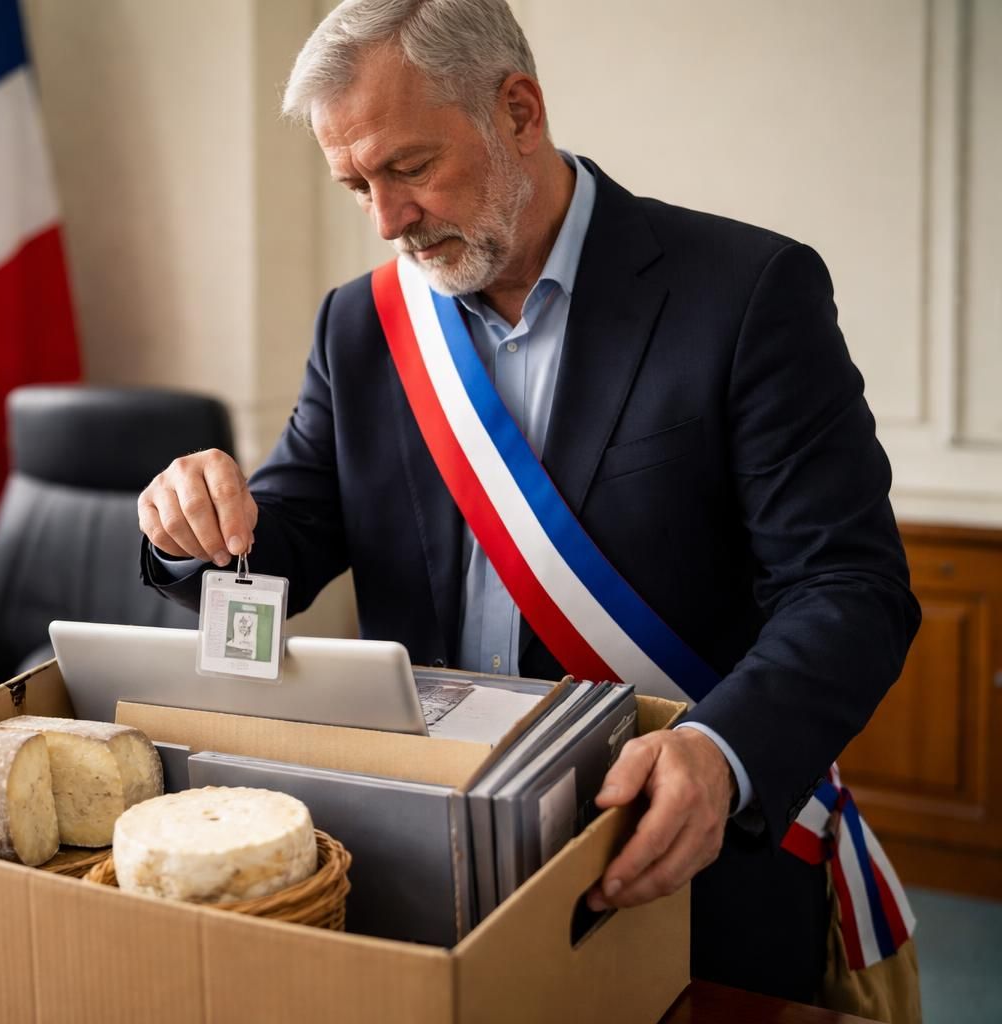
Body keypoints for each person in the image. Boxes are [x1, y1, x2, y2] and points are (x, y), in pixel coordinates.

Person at [137, 0, 920, 1006]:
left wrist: (721, 755)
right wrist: (191, 523)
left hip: (680, 854)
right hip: (431, 861)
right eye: (355, 185)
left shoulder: (746, 291)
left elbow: (849, 589)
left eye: (410, 167)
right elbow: (280, 539)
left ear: (518, 110)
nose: (386, 219)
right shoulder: (361, 328)